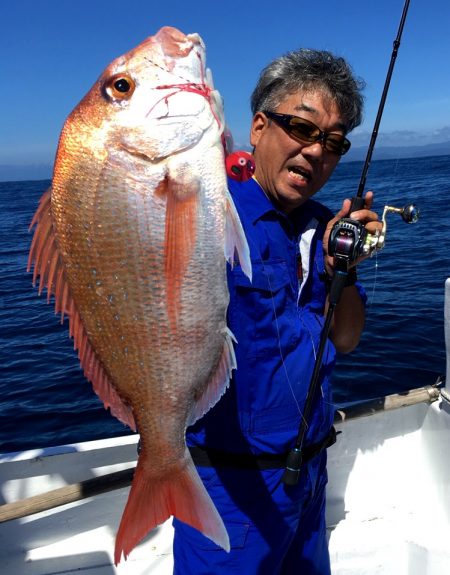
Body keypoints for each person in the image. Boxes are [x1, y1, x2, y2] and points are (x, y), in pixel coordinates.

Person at [172, 48, 382, 574]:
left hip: (310, 478)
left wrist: (342, 267)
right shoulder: (204, 212)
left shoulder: (321, 227)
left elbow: (348, 339)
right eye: (301, 128)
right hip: (228, 491)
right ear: (259, 127)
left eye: (333, 143)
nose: (316, 152)